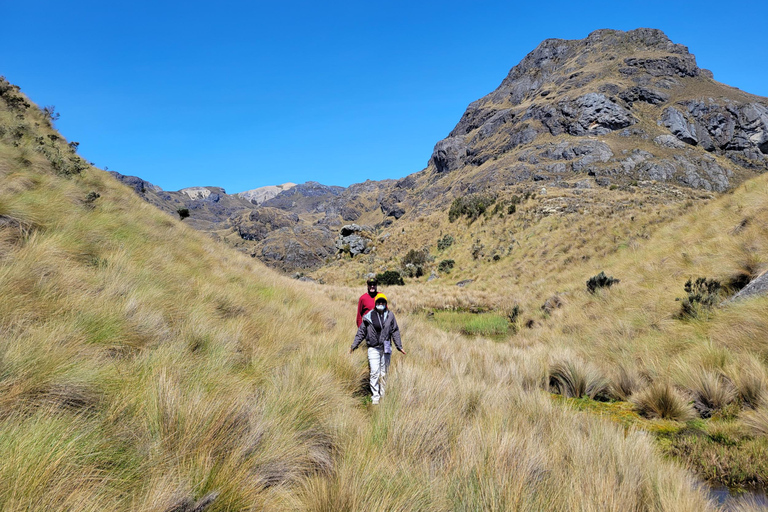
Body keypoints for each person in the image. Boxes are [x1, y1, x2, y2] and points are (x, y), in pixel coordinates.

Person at [350, 293, 406, 405]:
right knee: (375, 372)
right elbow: (361, 332)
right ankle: (375, 396)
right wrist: (354, 345)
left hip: (386, 347)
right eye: (379, 302)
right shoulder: (369, 316)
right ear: (375, 303)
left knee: (384, 373)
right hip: (373, 348)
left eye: (383, 302)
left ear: (386, 304)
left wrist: (399, 346)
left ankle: (383, 394)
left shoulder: (390, 315)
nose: (381, 304)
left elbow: (395, 331)